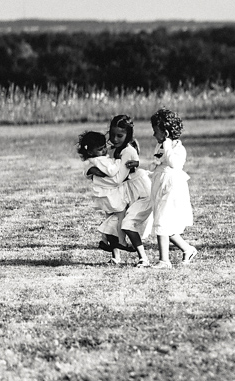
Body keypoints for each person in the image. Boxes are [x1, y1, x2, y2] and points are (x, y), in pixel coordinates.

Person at [140, 108, 197, 268]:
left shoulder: (177, 148)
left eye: (156, 131)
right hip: (159, 185)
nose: (153, 135)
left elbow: (174, 164)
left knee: (162, 221)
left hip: (172, 187)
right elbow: (158, 162)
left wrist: (168, 147)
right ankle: (187, 249)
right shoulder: (159, 146)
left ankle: (164, 260)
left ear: (165, 133)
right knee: (162, 221)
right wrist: (149, 168)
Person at [77, 131, 136, 265]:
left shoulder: (92, 160)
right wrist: (119, 161)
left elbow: (87, 170)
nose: (104, 150)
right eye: (100, 149)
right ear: (91, 151)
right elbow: (111, 171)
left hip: (103, 196)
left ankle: (109, 246)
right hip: (111, 196)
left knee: (110, 220)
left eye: (104, 147)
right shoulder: (100, 160)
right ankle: (121, 241)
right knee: (120, 216)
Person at [107, 115, 154, 267]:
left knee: (127, 223)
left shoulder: (128, 151)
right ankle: (115, 257)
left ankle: (143, 259)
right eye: (112, 135)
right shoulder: (111, 150)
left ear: (129, 135)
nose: (115, 139)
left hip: (139, 191)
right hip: (124, 190)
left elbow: (119, 176)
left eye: (119, 136)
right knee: (112, 219)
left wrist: (101, 175)